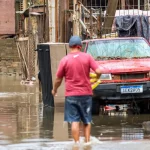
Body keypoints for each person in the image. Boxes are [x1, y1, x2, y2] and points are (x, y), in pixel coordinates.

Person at [52, 36, 101, 144]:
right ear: (80, 46)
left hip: (71, 95)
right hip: (86, 94)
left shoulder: (65, 60)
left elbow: (58, 79)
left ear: (70, 46)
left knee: (74, 121)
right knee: (86, 120)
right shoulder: (87, 57)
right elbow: (98, 70)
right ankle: (87, 143)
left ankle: (76, 144)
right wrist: (97, 76)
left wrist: (54, 90)